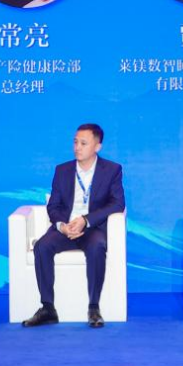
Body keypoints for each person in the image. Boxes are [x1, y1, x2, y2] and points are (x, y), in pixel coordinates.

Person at [23, 124, 125, 328]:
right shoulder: (62, 170)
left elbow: (117, 203)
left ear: (97, 146)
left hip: (92, 228)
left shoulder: (112, 170)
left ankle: (94, 308)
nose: (77, 147)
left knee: (97, 247)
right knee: (42, 246)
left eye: (83, 143)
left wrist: (86, 220)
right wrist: (62, 226)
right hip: (66, 228)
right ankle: (47, 308)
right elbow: (53, 206)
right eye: (75, 142)